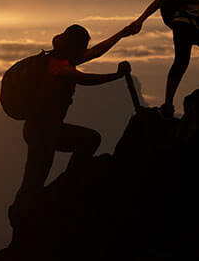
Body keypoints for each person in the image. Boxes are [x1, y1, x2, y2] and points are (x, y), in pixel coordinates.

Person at [10, 24, 132, 226]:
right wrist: (116, 76)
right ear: (73, 47)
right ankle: (21, 218)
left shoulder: (64, 59)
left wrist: (122, 33)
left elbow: (96, 52)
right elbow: (84, 79)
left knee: (88, 141)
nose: (84, 51)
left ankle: (67, 183)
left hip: (45, 129)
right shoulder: (55, 65)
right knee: (34, 181)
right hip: (42, 131)